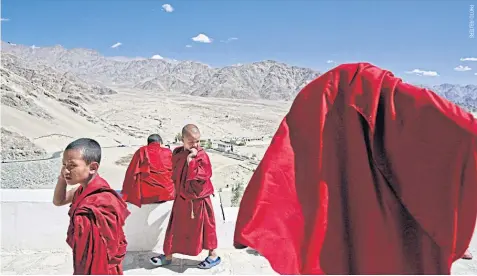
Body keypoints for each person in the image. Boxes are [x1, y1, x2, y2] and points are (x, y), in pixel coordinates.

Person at [233, 63, 477, 274]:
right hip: (387, 235)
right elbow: (456, 128)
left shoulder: (314, 101)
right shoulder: (384, 99)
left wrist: (254, 225)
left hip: (331, 231)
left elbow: (281, 168)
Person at [52, 138, 130, 275]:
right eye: (64, 165)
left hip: (100, 267)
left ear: (93, 167)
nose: (66, 171)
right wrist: (62, 177)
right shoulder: (81, 189)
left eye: (72, 166)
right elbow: (59, 201)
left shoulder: (102, 200)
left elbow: (99, 250)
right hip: (86, 259)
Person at [150, 124, 221, 269]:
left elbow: (205, 175)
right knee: (175, 227)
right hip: (182, 198)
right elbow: (173, 172)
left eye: (198, 141)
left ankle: (213, 255)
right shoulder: (177, 153)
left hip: (199, 200)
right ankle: (168, 256)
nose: (195, 145)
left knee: (207, 228)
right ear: (182, 139)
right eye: (191, 142)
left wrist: (192, 162)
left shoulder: (202, 156)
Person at [121, 134, 175, 207]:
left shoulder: (141, 151)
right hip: (168, 194)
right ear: (160, 143)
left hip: (146, 196)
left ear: (148, 143)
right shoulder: (168, 152)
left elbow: (131, 173)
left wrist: (126, 192)